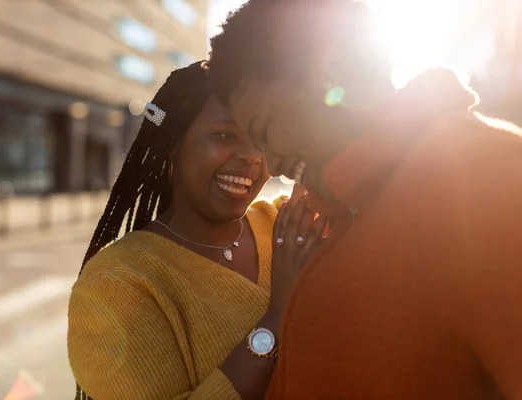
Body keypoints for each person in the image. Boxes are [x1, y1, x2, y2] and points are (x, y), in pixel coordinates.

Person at [208, 1, 522, 399]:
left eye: (265, 130)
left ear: (329, 73)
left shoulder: (482, 175)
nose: (272, 164)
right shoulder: (343, 213)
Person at [67, 62, 327, 400]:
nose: (252, 156)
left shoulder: (291, 225)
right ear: (173, 140)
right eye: (226, 135)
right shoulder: (116, 282)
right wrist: (276, 319)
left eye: (261, 138)